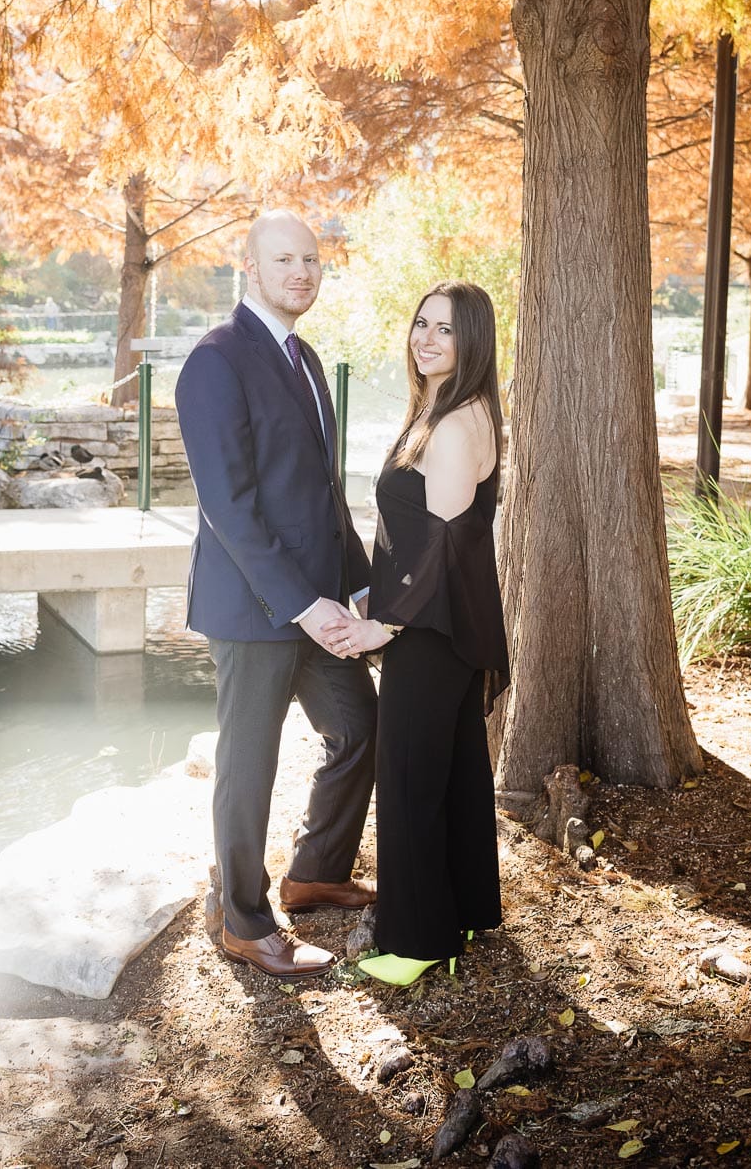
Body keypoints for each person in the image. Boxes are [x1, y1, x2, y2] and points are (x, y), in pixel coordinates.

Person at [175, 210, 378, 980]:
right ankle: (245, 921)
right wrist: (304, 604)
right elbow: (228, 506)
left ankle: (315, 871)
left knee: (362, 728)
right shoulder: (215, 360)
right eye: (285, 260)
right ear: (250, 268)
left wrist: (357, 582)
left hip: (319, 599)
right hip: (255, 608)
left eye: (312, 261)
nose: (302, 273)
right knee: (248, 764)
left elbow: (321, 494)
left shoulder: (307, 359)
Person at [322, 280, 510, 985]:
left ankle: (416, 943)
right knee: (453, 773)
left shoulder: (459, 422)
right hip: (443, 624)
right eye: (421, 324)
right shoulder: (444, 407)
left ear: (472, 343)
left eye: (446, 330)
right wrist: (375, 591)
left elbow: (441, 548)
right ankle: (460, 911)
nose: (426, 339)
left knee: (405, 781)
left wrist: (381, 628)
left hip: (432, 632)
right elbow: (415, 537)